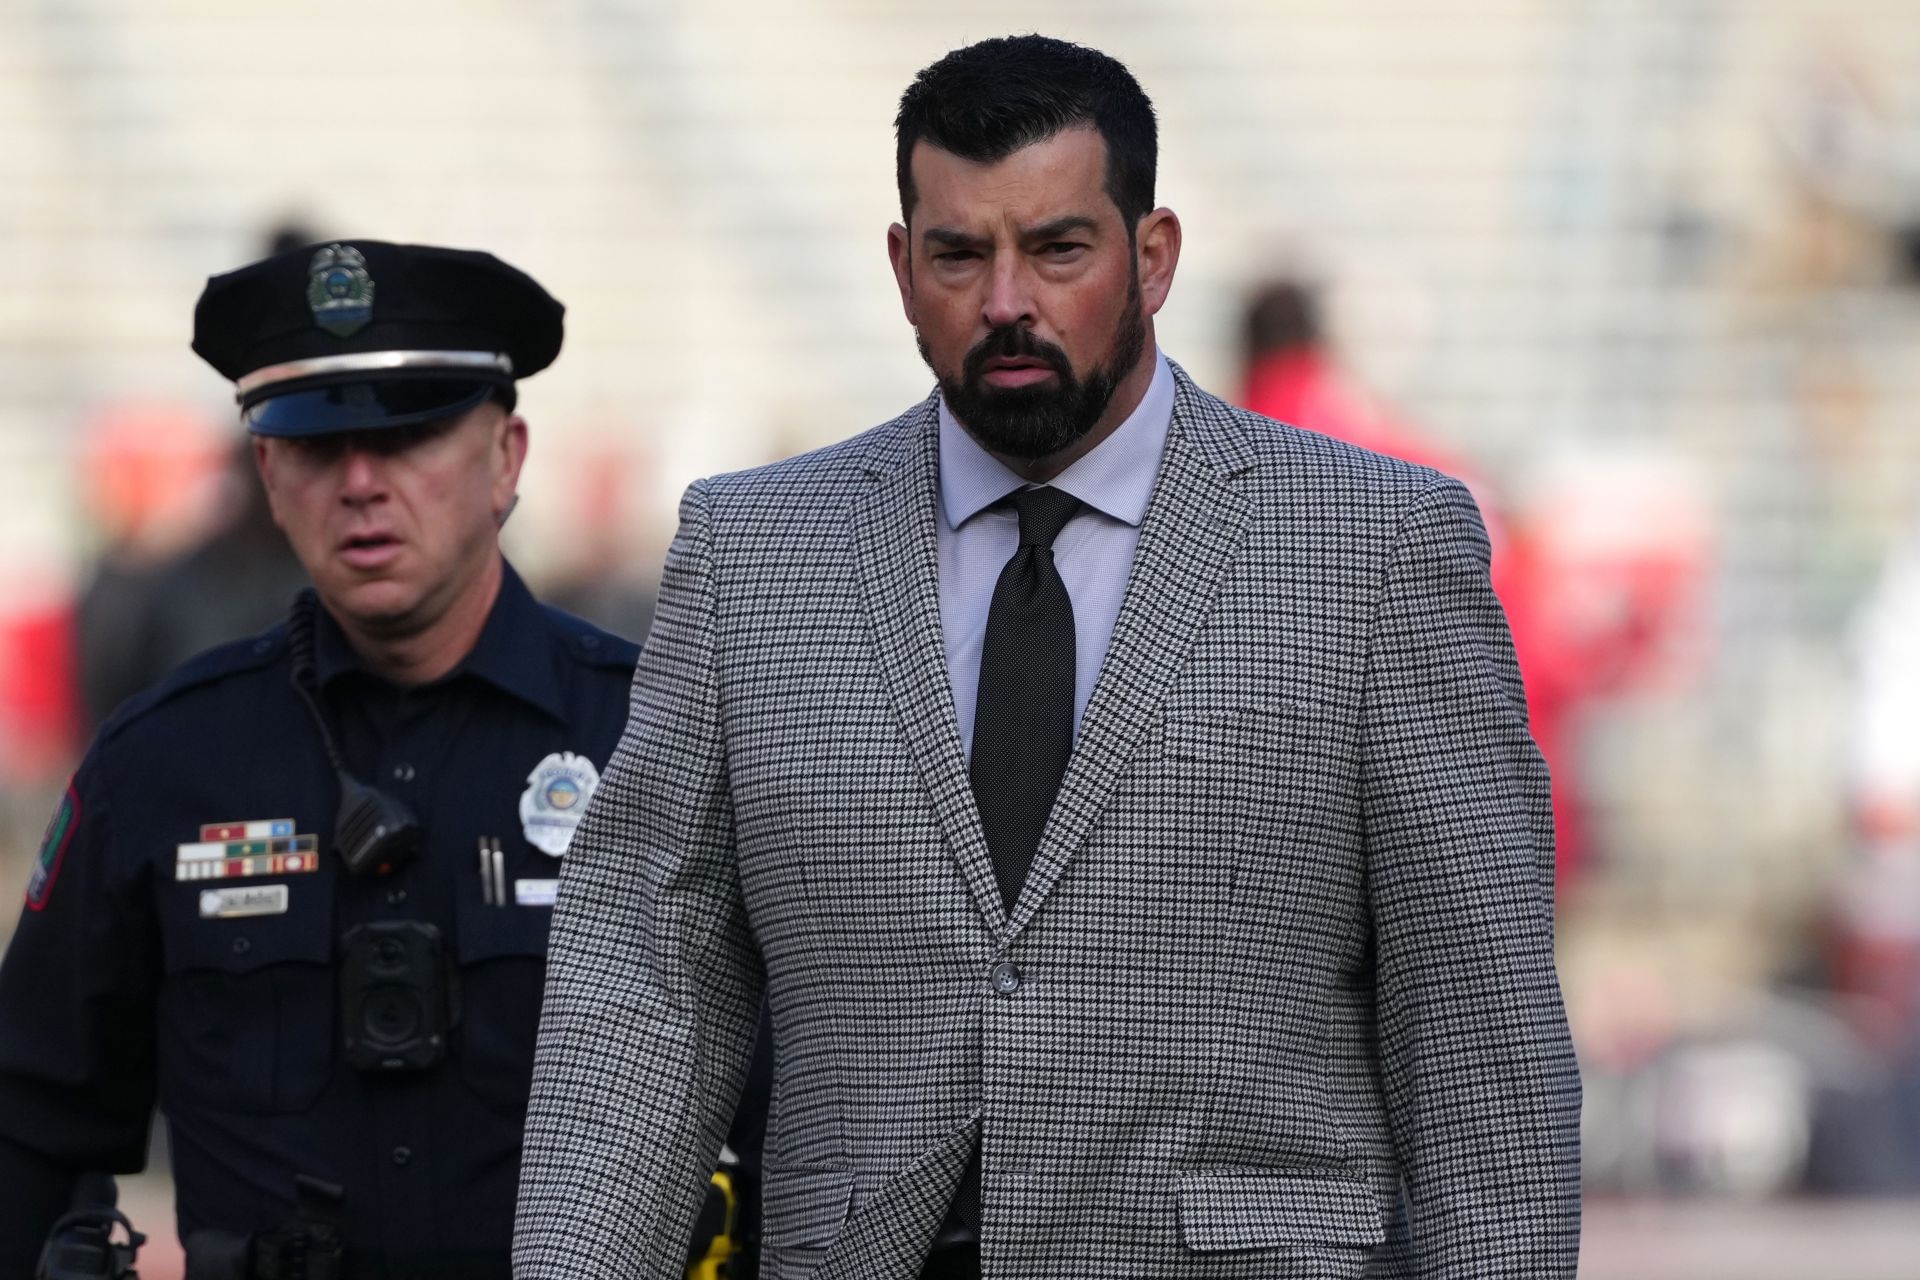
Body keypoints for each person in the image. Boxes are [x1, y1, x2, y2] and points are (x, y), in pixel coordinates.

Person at [516, 35, 1580, 1280]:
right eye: (962, 254)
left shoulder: (1378, 544)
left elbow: (1476, 1025)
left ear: (1156, 256)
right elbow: (649, 981)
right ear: (904, 268)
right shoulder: (751, 551)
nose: (1007, 300)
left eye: (1059, 249)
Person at [0, 239, 712, 1278]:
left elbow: (804, 1103)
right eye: (318, 446)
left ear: (508, 457)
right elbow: (32, 1116)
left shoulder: (659, 735)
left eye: (413, 434)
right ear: (267, 474)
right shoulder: (160, 765)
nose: (363, 484)